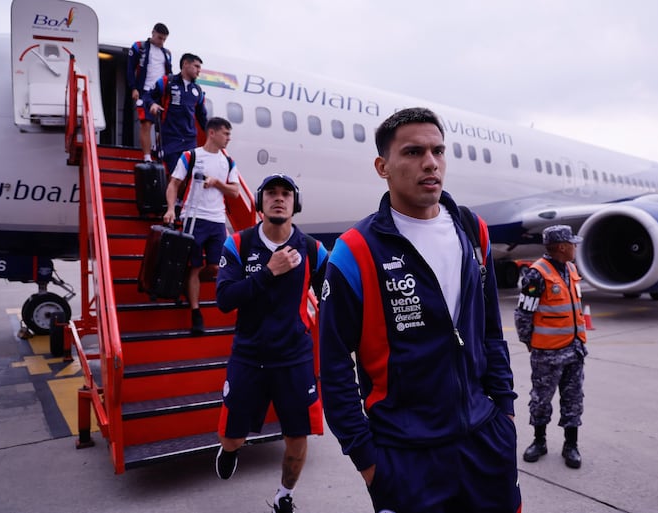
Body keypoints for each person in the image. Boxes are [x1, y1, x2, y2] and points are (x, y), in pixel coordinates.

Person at [318, 107, 521, 513]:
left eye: (438, 151)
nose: (430, 162)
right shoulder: (355, 251)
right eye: (412, 152)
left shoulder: (471, 229)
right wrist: (367, 459)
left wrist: (506, 415)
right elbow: (333, 362)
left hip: (486, 440)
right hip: (404, 456)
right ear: (383, 167)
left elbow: (490, 333)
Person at [214, 173, 329, 513]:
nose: (279, 198)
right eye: (272, 193)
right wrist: (268, 271)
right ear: (261, 202)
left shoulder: (313, 250)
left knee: (297, 439)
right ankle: (231, 450)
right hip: (248, 356)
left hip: (294, 359)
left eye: (286, 194)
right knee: (233, 436)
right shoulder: (239, 244)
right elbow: (224, 299)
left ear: (296, 204)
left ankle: (283, 495)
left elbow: (331, 299)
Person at [514, 224, 587, 469]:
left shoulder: (570, 268)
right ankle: (539, 441)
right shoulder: (536, 274)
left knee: (573, 399)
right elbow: (524, 313)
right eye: (572, 243)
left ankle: (571, 445)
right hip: (547, 353)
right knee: (541, 399)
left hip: (574, 350)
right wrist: (530, 343)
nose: (576, 247)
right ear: (562, 247)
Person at [163, 117, 240, 334]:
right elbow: (174, 183)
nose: (228, 139)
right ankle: (196, 313)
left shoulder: (228, 161)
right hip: (193, 217)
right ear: (212, 133)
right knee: (195, 266)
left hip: (217, 219)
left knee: (217, 267)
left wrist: (216, 183)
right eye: (225, 134)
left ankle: (187, 283)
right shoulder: (191, 155)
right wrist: (170, 209)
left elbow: (234, 192)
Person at [145, 52, 208, 176]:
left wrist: (211, 133)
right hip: (170, 138)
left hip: (189, 140)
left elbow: (202, 117)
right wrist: (152, 104)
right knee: (175, 174)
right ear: (185, 64)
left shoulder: (198, 90)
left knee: (189, 176)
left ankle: (179, 196)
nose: (199, 71)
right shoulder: (167, 81)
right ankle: (172, 195)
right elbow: (147, 96)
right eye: (196, 66)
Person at [126, 22, 172, 162]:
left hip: (162, 93)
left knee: (164, 124)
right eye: (159, 38)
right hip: (145, 91)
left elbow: (169, 73)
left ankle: (157, 149)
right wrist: (133, 87)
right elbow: (130, 68)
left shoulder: (167, 54)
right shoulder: (139, 47)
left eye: (164, 39)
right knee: (146, 123)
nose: (161, 41)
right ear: (153, 33)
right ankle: (147, 157)